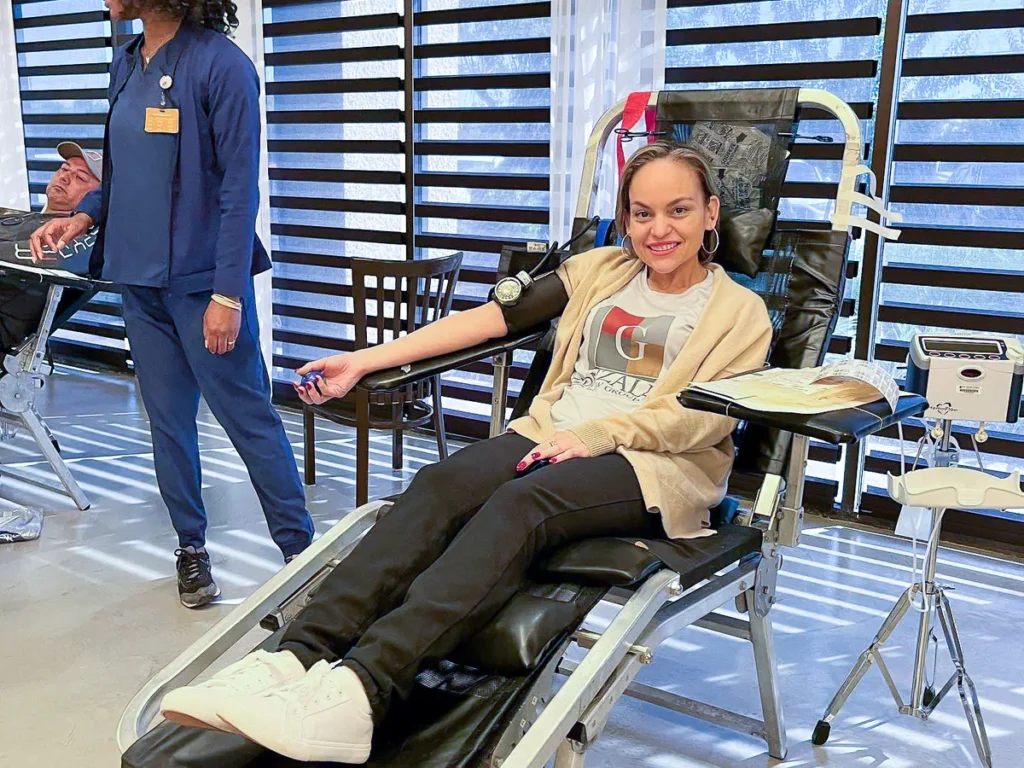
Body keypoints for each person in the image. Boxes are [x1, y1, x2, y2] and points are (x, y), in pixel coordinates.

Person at [158, 144, 773, 763]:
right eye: (642, 213)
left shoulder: (740, 312)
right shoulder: (603, 270)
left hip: (650, 466)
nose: (658, 229)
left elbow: (702, 415)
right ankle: (295, 658)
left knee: (520, 504)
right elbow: (488, 320)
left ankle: (361, 692)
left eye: (678, 210)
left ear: (711, 214)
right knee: (440, 484)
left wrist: (592, 437)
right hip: (547, 437)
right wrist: (365, 360)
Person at [28, 0, 313, 608]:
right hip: (139, 278)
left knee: (248, 420)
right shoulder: (127, 62)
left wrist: (228, 293)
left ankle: (301, 556)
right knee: (167, 424)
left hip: (204, 281)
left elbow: (241, 192)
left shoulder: (222, 67)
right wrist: (80, 217)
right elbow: (123, 175)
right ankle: (191, 548)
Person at [0, 142, 102, 351]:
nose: (64, 177)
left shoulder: (73, 240)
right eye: (64, 169)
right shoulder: (19, 218)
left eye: (80, 177)